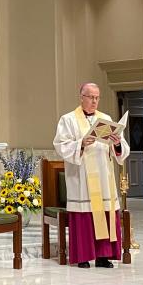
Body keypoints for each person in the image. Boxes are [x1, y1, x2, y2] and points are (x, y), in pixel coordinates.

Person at [53, 83, 129, 268]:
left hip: (104, 176)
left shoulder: (106, 119)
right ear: (81, 97)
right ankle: (83, 256)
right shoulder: (68, 119)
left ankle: (104, 256)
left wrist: (117, 143)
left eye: (97, 97)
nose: (94, 101)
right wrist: (80, 143)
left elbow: (122, 150)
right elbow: (60, 145)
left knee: (106, 212)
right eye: (90, 97)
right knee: (85, 216)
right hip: (82, 177)